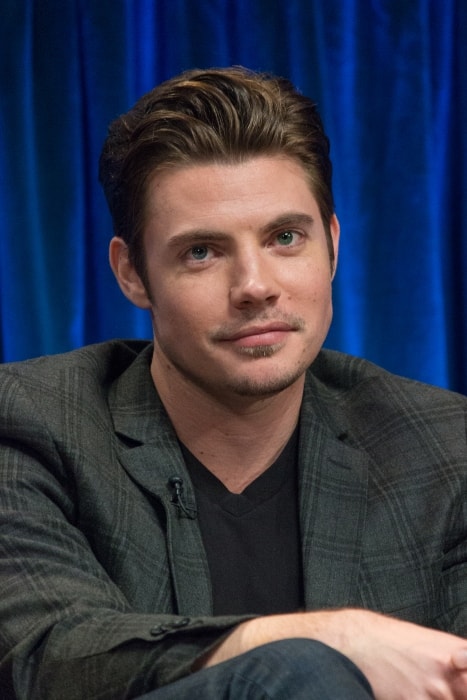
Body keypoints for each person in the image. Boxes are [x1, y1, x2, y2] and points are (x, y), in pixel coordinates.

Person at [0, 66, 466, 700]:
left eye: (284, 238)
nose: (254, 286)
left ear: (331, 246)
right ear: (133, 273)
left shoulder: (444, 450)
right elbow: (46, 655)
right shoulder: (31, 423)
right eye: (202, 252)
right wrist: (328, 643)